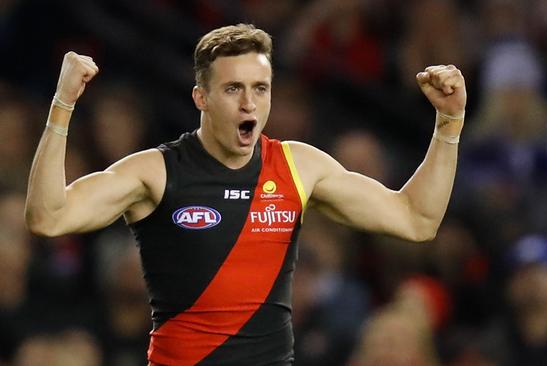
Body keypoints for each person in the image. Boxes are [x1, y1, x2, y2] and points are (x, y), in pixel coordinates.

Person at [25, 24, 466, 365]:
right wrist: (62, 104)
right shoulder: (156, 172)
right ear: (202, 97)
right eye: (233, 88)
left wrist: (448, 125)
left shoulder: (298, 166)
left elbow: (416, 219)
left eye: (260, 88)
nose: (249, 104)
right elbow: (48, 217)